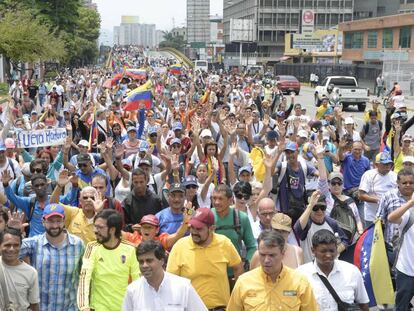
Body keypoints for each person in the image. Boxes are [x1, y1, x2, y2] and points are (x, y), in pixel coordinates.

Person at [166, 208, 244, 310]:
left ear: (212, 228)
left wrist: (237, 299)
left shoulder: (224, 243)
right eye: (192, 227)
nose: (194, 232)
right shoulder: (180, 246)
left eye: (199, 229)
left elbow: (238, 268)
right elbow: (171, 281)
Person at [227, 230, 318, 310]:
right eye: (262, 255)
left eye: (272, 255)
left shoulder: (300, 282)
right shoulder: (243, 282)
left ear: (283, 254)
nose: (266, 260)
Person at [17, 204, 85, 311]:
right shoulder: (34, 243)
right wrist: (12, 232)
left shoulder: (78, 244)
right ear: (43, 221)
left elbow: (84, 276)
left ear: (64, 220)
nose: (54, 225)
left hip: (69, 308)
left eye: (58, 221)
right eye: (50, 221)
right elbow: (7, 252)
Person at [77, 209, 140, 311]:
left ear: (112, 230)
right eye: (95, 226)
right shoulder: (92, 247)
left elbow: (138, 281)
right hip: (98, 307)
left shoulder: (131, 249)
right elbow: (84, 277)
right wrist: (84, 306)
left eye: (100, 227)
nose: (95, 231)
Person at [122, 240, 207, 311]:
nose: (144, 265)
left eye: (149, 261)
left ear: (162, 261)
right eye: (141, 262)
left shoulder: (183, 287)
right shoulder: (132, 291)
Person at [297, 229, 369, 311]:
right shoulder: (300, 274)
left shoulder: (352, 272)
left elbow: (363, 304)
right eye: (323, 251)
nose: (328, 255)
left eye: (332, 251)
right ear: (313, 251)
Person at [294, 190, 348, 263]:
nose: (319, 211)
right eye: (315, 208)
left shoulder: (331, 223)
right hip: (311, 269)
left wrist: (334, 251)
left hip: (330, 267)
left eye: (322, 207)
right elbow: (297, 229)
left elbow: (345, 240)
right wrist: (311, 205)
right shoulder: (307, 223)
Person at [388, 181, 414, 310]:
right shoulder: (410, 213)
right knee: (401, 307)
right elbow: (391, 218)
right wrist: (410, 203)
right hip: (406, 271)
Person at [0, 226, 39, 311]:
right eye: (7, 245)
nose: (11, 249)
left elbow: (34, 304)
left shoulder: (31, 273)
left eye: (16, 245)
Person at [359, 152, 397, 227]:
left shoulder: (394, 176)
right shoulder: (369, 175)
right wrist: (378, 200)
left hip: (390, 216)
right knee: (372, 238)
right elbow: (361, 195)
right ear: (376, 165)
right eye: (384, 164)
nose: (387, 167)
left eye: (389, 164)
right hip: (372, 216)